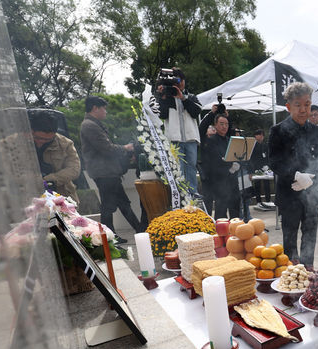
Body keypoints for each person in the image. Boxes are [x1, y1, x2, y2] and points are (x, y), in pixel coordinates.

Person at [268, 82, 318, 267]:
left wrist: (311, 179)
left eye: (307, 104)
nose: (303, 109)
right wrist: (296, 175)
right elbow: (275, 162)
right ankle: (292, 273)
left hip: (312, 194)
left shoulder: (316, 131)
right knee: (290, 238)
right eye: (298, 105)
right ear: (288, 106)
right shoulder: (278, 131)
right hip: (289, 194)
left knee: (310, 236)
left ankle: (308, 270)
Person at [80, 96, 141, 242]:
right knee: (108, 206)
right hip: (104, 173)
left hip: (107, 172)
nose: (105, 111)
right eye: (103, 108)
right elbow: (106, 149)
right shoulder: (90, 125)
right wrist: (125, 148)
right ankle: (109, 238)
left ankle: (139, 230)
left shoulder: (92, 124)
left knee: (122, 202)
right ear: (95, 108)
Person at [156, 67, 202, 194]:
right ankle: (181, 193)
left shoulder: (191, 97)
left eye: (181, 80)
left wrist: (183, 98)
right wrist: (163, 97)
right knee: (178, 168)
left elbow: (196, 112)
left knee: (191, 166)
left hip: (190, 138)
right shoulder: (167, 97)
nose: (179, 83)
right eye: (176, 81)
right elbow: (162, 115)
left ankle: (193, 192)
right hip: (174, 139)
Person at [29, 111, 81, 203]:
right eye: (38, 138)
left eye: (48, 139)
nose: (42, 142)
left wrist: (49, 180)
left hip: (61, 196)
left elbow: (74, 169)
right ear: (31, 131)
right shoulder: (12, 143)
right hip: (27, 197)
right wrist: (34, 181)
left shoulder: (66, 144)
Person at [199, 113, 240, 219]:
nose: (224, 127)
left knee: (235, 208)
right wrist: (228, 167)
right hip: (219, 181)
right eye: (221, 124)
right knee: (221, 210)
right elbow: (214, 161)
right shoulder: (210, 141)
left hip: (232, 180)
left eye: (226, 124)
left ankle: (236, 229)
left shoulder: (229, 140)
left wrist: (236, 165)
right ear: (215, 125)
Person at [250, 129, 274, 211]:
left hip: (265, 168)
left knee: (267, 184)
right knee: (257, 185)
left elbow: (268, 156)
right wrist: (254, 168)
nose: (261, 136)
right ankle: (258, 201)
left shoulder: (265, 145)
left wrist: (268, 165)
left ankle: (268, 200)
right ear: (255, 136)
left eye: (262, 135)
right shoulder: (253, 146)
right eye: (259, 135)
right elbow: (251, 158)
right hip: (256, 168)